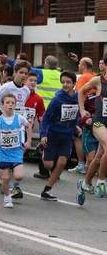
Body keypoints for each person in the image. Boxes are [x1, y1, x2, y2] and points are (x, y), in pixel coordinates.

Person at [38, 71, 79, 202]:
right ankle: (43, 151)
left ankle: (47, 189)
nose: (65, 85)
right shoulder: (57, 100)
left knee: (62, 163)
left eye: (68, 82)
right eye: (63, 82)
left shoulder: (78, 98)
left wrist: (76, 126)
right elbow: (46, 119)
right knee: (49, 165)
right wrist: (43, 135)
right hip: (53, 134)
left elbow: (76, 115)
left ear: (74, 84)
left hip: (67, 136)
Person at [0, 93, 32, 208]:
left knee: (19, 176)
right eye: (7, 103)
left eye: (12, 103)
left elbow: (28, 126)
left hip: (16, 151)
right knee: (5, 178)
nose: (10, 105)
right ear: (2, 105)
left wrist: (28, 141)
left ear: (15, 105)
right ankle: (7, 197)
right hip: (3, 151)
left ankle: (14, 186)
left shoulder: (19, 118)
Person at [78, 61, 107, 198]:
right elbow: (81, 91)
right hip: (99, 123)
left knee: (98, 158)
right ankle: (101, 181)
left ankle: (85, 183)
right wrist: (82, 110)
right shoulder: (98, 80)